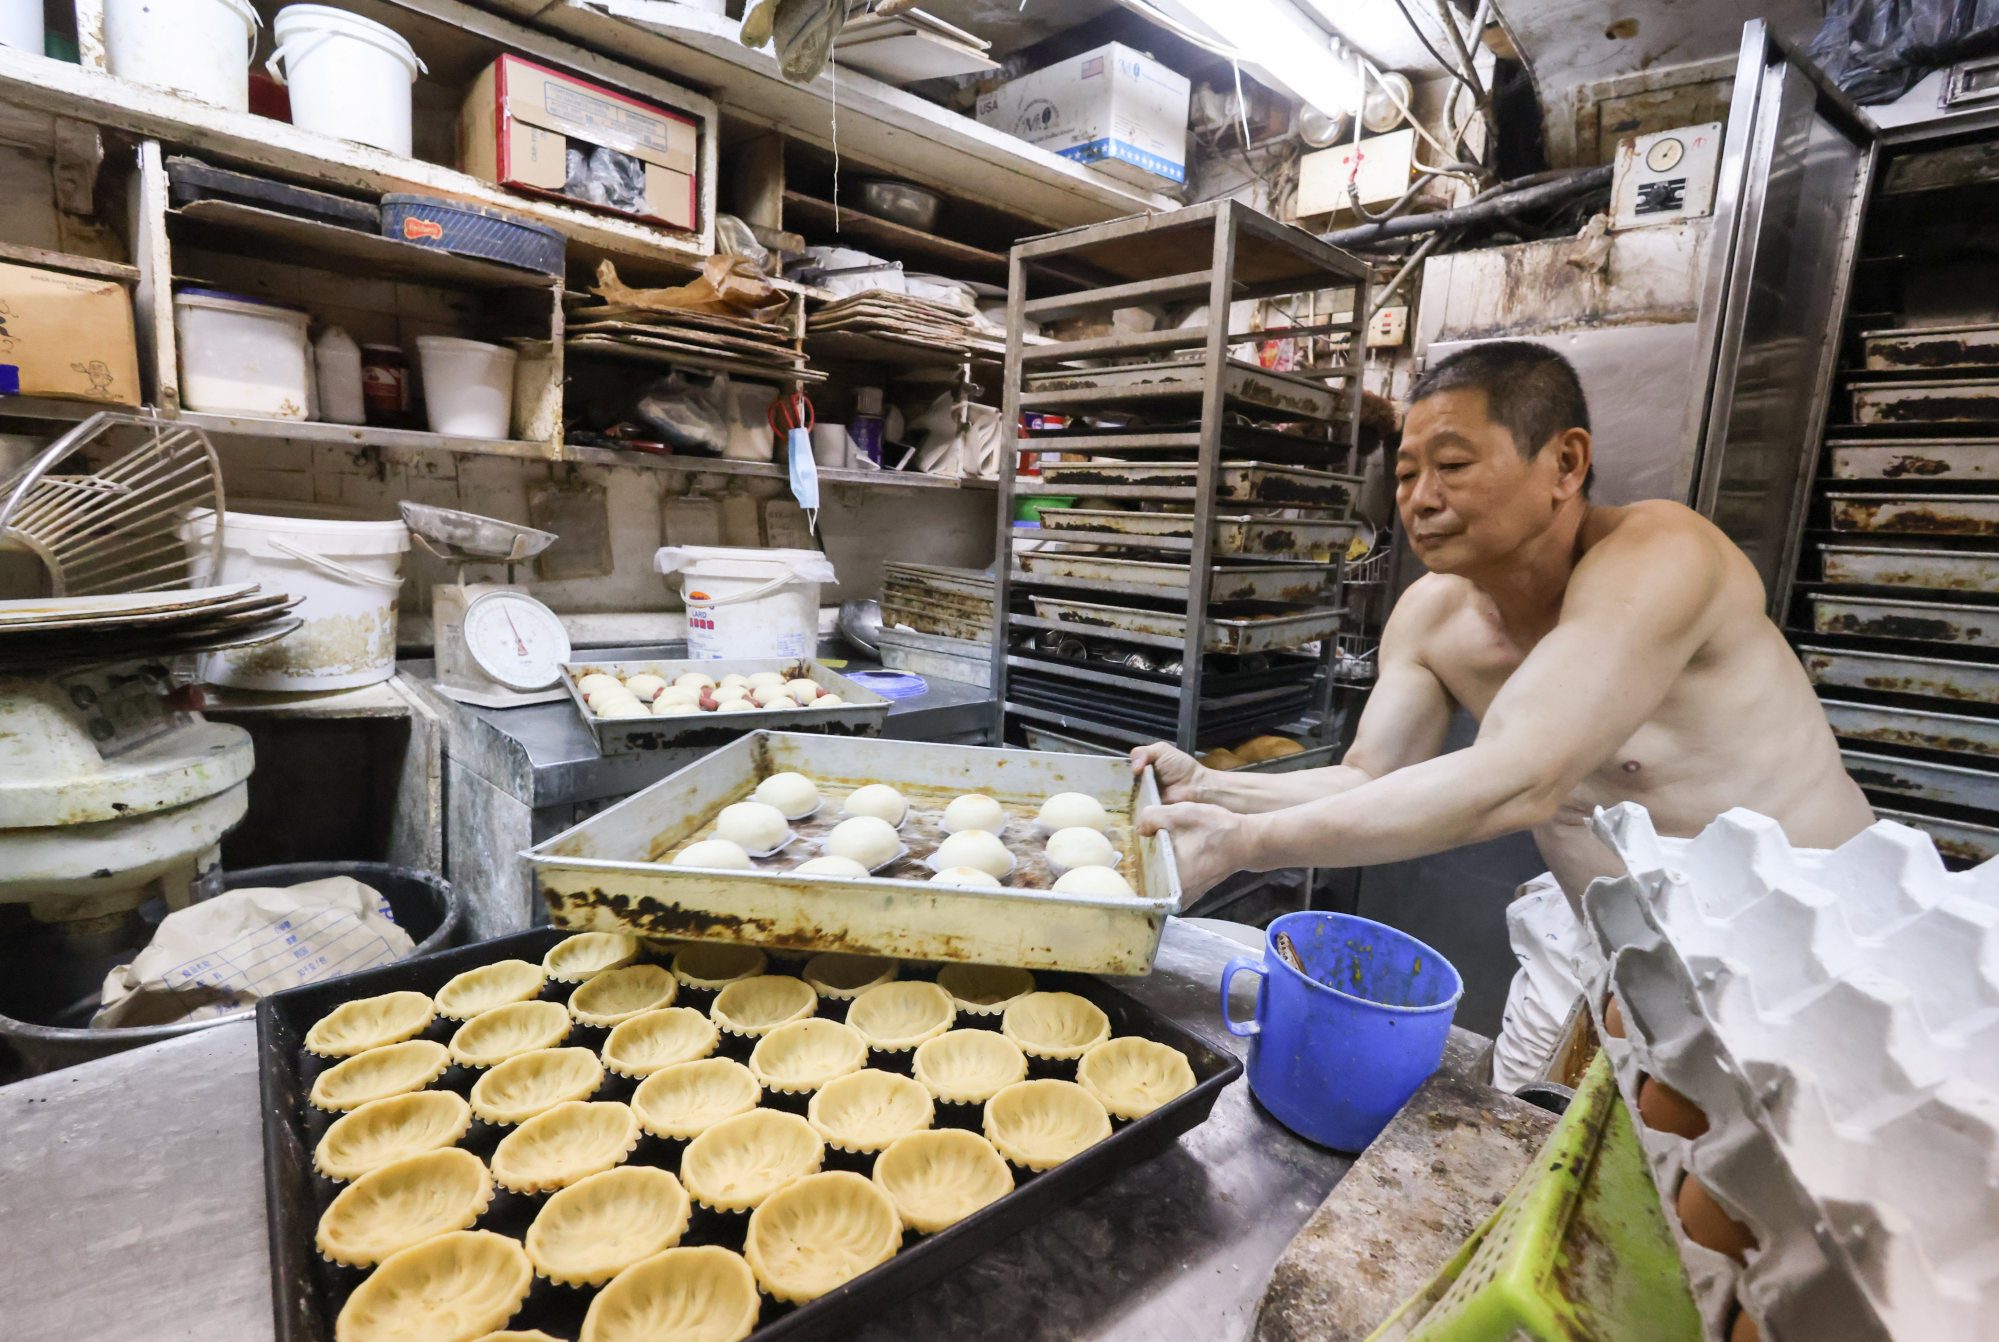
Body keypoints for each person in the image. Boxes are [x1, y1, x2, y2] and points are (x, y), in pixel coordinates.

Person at [1132, 341, 1876, 1086]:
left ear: (1565, 463)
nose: (1420, 498)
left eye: (1452, 466)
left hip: (1799, 951)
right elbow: (1363, 777)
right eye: (1404, 473)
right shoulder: (1429, 619)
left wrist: (1245, 843)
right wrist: (1212, 792)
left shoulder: (1663, 556)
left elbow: (1520, 777)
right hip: (1613, 943)